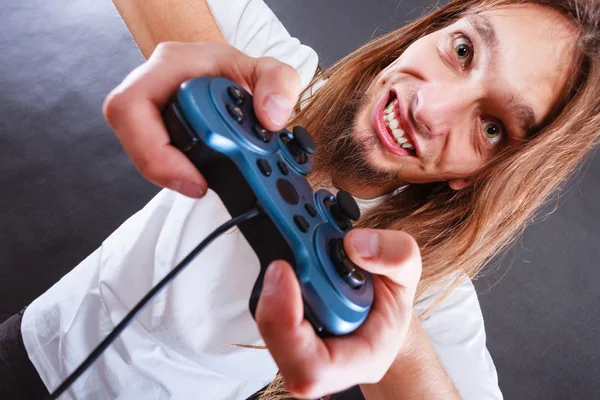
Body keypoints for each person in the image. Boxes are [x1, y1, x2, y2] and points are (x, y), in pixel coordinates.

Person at [1, 0, 599, 399]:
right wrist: (206, 71)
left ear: (483, 175)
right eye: (463, 50)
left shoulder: (430, 285)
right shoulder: (271, 72)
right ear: (427, 34)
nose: (430, 109)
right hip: (30, 340)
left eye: (492, 127)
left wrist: (390, 329)